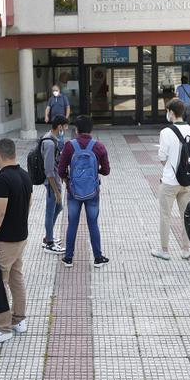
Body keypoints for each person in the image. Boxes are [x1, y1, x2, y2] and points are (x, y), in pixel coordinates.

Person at [0, 138, 33, 346]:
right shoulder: (24, 175)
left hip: (5, 240)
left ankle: (2, 328)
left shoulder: (2, 179)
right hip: (21, 236)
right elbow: (29, 203)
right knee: (16, 278)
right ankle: (19, 320)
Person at [57, 115, 110, 269]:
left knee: (72, 223)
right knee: (93, 223)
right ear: (91, 129)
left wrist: (68, 180)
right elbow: (106, 171)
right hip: (92, 192)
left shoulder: (69, 146)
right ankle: (98, 258)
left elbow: (61, 170)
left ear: (77, 130)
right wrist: (94, 173)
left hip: (73, 192)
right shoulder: (99, 146)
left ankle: (68, 258)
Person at [151, 100, 190, 261]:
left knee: (165, 215)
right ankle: (186, 248)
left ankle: (164, 250)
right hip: (188, 181)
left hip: (170, 181)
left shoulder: (166, 132)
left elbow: (162, 156)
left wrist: (170, 167)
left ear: (170, 112)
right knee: (186, 215)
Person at [41, 115, 70, 255]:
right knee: (51, 210)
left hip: (56, 181)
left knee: (58, 207)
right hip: (51, 183)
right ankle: (49, 243)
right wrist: (57, 192)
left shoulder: (53, 139)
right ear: (59, 126)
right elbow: (49, 171)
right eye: (65, 126)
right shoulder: (50, 143)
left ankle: (48, 236)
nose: (66, 129)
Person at [45, 84, 71, 149]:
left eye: (56, 90)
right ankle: (56, 146)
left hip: (61, 120)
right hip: (54, 120)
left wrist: (66, 117)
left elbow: (67, 107)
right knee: (54, 134)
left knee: (61, 134)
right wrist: (46, 116)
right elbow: (48, 108)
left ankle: (61, 148)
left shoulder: (64, 98)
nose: (55, 91)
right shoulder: (51, 99)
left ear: (59, 90)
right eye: (53, 90)